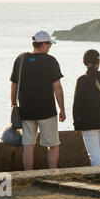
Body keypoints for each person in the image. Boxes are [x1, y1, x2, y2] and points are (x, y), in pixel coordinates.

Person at [10, 30, 66, 170]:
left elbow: (14, 85)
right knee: (52, 145)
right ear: (43, 45)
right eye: (49, 44)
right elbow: (57, 88)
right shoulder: (50, 61)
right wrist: (62, 109)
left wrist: (13, 105)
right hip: (47, 111)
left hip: (26, 111)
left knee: (28, 145)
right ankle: (52, 173)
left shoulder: (21, 59)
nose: (50, 47)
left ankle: (28, 174)